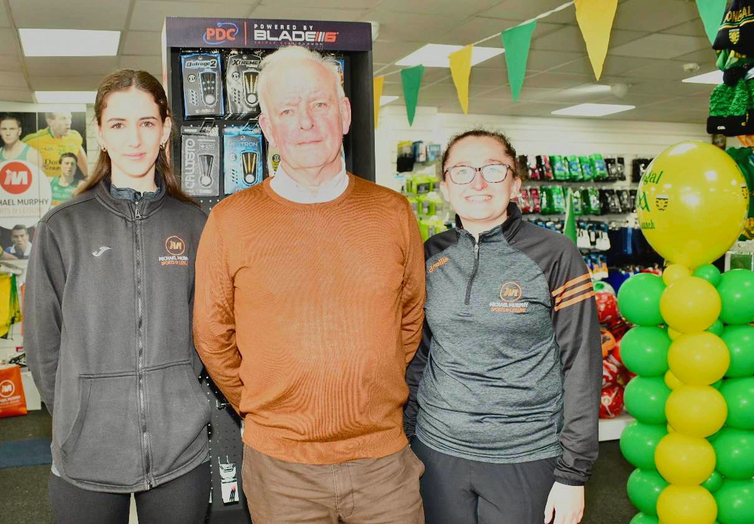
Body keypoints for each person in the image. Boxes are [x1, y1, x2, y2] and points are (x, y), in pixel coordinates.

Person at [193, 45, 426, 524]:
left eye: (319, 104)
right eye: (287, 110)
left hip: (384, 464)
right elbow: (212, 336)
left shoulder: (393, 213)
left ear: (345, 114)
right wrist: (265, 407)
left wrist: (366, 384)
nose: (305, 122)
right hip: (281, 470)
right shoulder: (230, 221)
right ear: (267, 128)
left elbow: (409, 320)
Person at [26, 70, 211, 524]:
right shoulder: (62, 227)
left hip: (179, 450)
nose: (134, 139)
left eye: (147, 123)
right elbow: (43, 345)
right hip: (86, 451)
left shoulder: (195, 224)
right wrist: (77, 413)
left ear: (165, 130)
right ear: (101, 134)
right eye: (118, 124)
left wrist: (182, 396)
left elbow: (208, 329)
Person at [405, 129, 602, 524]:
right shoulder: (429, 255)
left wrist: (573, 473)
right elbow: (420, 355)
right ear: (445, 187)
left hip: (526, 454)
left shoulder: (555, 254)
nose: (477, 183)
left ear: (515, 184)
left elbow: (582, 363)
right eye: (462, 171)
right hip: (437, 450)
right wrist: (406, 439)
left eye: (494, 170)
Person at [23, 111, 89, 179]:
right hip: (43, 183)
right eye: (63, 118)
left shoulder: (75, 137)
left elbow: (79, 153)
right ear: (50, 122)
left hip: (65, 182)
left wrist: (88, 177)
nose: (68, 122)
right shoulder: (32, 140)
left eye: (69, 118)